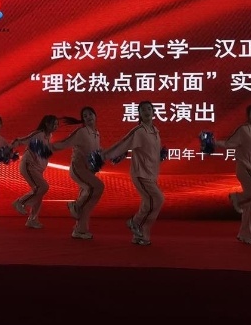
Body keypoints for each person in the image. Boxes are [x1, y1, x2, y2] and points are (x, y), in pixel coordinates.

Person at [104, 101, 164, 246]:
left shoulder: (155, 131)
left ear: (153, 112)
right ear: (139, 114)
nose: (146, 111)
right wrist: (103, 156)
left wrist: (161, 155)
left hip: (151, 174)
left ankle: (140, 237)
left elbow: (151, 152)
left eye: (149, 109)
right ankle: (135, 222)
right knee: (157, 199)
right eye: (143, 110)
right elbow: (122, 144)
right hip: (141, 174)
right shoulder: (139, 131)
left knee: (147, 203)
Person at [215, 104, 251, 245]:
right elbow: (228, 143)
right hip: (246, 169)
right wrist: (214, 142)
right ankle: (237, 198)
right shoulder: (244, 130)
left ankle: (246, 235)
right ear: (248, 115)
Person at [50, 107, 104, 240]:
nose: (88, 117)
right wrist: (47, 147)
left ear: (95, 116)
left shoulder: (96, 133)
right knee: (97, 187)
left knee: (89, 199)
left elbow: (97, 152)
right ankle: (75, 205)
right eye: (85, 116)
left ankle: (80, 230)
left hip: (89, 171)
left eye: (90, 114)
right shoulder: (82, 132)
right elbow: (64, 143)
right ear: (83, 120)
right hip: (78, 169)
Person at [11, 115, 59, 229]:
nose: (56, 126)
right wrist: (11, 147)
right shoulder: (38, 134)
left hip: (37, 168)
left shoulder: (49, 136)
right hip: (29, 166)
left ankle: (32, 220)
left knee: (39, 192)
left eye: (57, 124)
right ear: (47, 124)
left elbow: (43, 152)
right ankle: (20, 202)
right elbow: (21, 140)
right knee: (42, 187)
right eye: (54, 124)